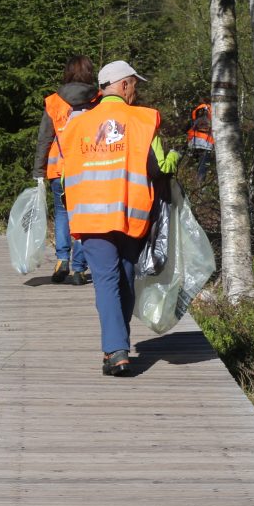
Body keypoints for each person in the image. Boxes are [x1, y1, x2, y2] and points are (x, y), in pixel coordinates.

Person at [61, 60, 179, 377]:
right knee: (125, 280)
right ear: (124, 85)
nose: (135, 90)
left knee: (107, 281)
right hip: (131, 215)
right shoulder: (143, 120)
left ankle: (116, 350)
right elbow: (158, 167)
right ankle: (117, 348)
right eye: (134, 84)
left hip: (91, 217)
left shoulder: (77, 125)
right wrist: (175, 158)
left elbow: (64, 172)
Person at [33, 55, 98, 285]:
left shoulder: (54, 102)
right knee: (83, 217)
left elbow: (44, 139)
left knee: (62, 214)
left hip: (58, 169)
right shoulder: (98, 100)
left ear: (67, 73)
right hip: (89, 169)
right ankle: (80, 268)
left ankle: (62, 259)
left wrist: (38, 171)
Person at [186, 99, 215, 180]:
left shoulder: (197, 113)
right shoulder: (213, 112)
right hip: (207, 145)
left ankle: (189, 183)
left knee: (191, 167)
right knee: (203, 169)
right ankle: (200, 185)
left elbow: (189, 129)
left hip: (194, 144)